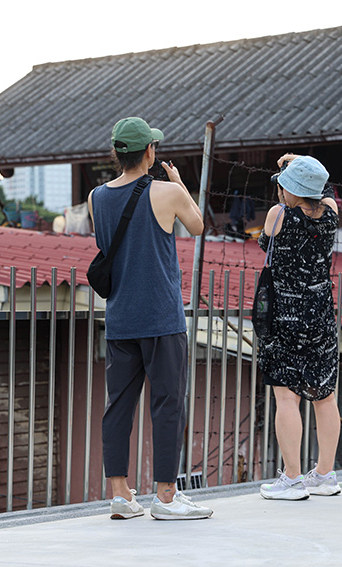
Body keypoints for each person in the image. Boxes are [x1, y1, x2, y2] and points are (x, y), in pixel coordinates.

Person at [87, 117, 212, 520]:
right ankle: (166, 497)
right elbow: (197, 225)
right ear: (149, 152)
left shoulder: (96, 197)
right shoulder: (168, 192)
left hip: (120, 317)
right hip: (161, 316)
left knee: (118, 405)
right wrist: (178, 183)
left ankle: (121, 494)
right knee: (167, 404)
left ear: (116, 154)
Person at [257, 154, 342, 500]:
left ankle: (291, 477)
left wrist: (290, 170)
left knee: (286, 397)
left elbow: (266, 245)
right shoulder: (332, 213)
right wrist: (301, 165)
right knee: (325, 396)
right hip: (321, 315)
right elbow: (323, 191)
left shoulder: (278, 215)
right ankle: (324, 475)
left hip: (284, 318)